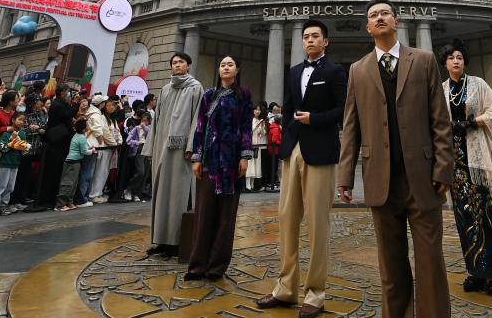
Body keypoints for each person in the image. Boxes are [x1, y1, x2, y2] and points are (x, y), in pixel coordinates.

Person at [337, 0, 453, 318]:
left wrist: (444, 168)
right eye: (373, 15)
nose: (379, 18)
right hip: (379, 177)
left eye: (385, 13)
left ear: (396, 21)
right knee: (391, 262)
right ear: (368, 27)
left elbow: (440, 120)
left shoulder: (425, 60)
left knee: (430, 258)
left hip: (424, 176)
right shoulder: (357, 70)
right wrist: (345, 176)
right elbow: (351, 126)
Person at [257, 19, 347, 317]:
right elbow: (285, 108)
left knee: (317, 223)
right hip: (293, 151)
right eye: (306, 36)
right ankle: (285, 287)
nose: (309, 40)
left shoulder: (335, 72)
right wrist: (286, 145)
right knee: (286, 218)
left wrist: (315, 119)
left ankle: (315, 292)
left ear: (325, 42)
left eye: (315, 36)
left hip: (320, 152)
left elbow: (342, 110)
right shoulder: (294, 71)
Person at [440, 39, 492, 296]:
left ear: (464, 60)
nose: (455, 60)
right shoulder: (442, 88)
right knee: (465, 217)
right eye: (451, 57)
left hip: (480, 157)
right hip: (456, 160)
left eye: (459, 56)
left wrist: (472, 122)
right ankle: (474, 272)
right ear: (445, 62)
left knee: (488, 214)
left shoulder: (478, 84)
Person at [186, 55, 254, 281]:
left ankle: (216, 267)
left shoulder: (243, 94)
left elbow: (246, 127)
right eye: (222, 64)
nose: (226, 67)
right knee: (204, 214)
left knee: (226, 217)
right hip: (209, 163)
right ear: (218, 70)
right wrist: (197, 158)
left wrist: (245, 156)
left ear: (237, 70)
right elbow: (199, 127)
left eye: (230, 65)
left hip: (232, 164)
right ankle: (197, 266)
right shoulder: (208, 95)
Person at [145, 52, 204, 258]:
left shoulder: (195, 88)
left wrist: (191, 147)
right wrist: (151, 149)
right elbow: (156, 121)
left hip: (181, 152)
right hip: (162, 147)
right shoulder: (165, 89)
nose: (177, 65)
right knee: (161, 194)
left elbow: (198, 120)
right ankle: (161, 239)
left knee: (179, 195)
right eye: (174, 62)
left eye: (181, 62)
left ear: (188, 65)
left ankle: (178, 241)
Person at [0, 111, 30, 217]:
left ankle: (4, 205)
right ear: (13, 120)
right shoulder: (6, 133)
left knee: (10, 187)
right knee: (0, 186)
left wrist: (25, 148)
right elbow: (3, 149)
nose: (22, 122)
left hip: (15, 163)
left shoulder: (22, 133)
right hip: (5, 163)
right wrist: (11, 141)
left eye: (23, 120)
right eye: (20, 119)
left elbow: (23, 150)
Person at [88, 97, 121, 203]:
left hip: (111, 148)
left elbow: (117, 132)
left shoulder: (113, 119)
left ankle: (98, 192)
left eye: (114, 105)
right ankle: (94, 194)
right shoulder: (102, 117)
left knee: (104, 172)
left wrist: (119, 141)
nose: (113, 107)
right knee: (99, 172)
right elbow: (105, 133)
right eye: (110, 105)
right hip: (104, 148)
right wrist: (114, 144)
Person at [55, 119, 91, 211]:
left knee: (73, 184)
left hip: (75, 162)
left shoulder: (79, 135)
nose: (88, 126)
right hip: (72, 162)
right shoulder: (81, 137)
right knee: (68, 183)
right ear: (83, 129)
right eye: (87, 125)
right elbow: (84, 151)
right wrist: (92, 151)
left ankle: (69, 202)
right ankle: (60, 205)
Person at [123, 113, 152, 202]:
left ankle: (137, 193)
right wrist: (136, 142)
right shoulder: (136, 128)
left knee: (145, 174)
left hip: (148, 152)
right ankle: (128, 189)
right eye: (142, 120)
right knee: (140, 172)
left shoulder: (151, 128)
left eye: (146, 120)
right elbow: (128, 140)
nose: (143, 122)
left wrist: (144, 127)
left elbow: (150, 135)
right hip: (139, 150)